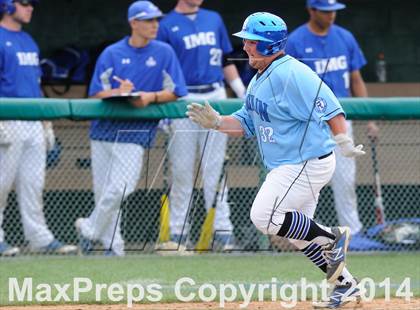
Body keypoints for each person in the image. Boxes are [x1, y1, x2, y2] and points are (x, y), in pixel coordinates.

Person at [187, 12, 363, 308]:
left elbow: (331, 107)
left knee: (264, 216)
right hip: (291, 164)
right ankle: (345, 285)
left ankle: (333, 238)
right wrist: (217, 122)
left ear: (269, 46)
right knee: (299, 235)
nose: (245, 48)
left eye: (251, 42)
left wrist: (343, 140)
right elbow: (246, 123)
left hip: (305, 161)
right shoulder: (260, 78)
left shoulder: (292, 72)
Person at [75, 0, 187, 256]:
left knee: (121, 187)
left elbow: (177, 91)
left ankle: (90, 228)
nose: (154, 25)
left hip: (135, 131)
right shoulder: (112, 53)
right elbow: (95, 94)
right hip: (103, 130)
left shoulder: (164, 52)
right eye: (148, 20)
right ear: (133, 23)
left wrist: (150, 97)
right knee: (104, 192)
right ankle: (114, 247)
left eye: (156, 20)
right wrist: (119, 91)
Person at [157, 0, 246, 250]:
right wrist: (165, 111)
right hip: (183, 99)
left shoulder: (213, 18)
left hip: (215, 95)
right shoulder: (165, 24)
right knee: (182, 170)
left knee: (214, 170)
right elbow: (163, 69)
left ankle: (223, 231)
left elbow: (226, 60)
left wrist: (241, 91)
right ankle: (178, 232)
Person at [286, 0, 379, 237]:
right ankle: (301, 232)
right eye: (326, 11)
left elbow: (356, 78)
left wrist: (370, 119)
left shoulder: (345, 37)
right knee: (306, 179)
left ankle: (353, 232)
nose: (331, 16)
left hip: (340, 118)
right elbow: (288, 84)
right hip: (309, 121)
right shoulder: (296, 40)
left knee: (346, 179)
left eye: (334, 11)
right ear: (311, 10)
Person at [0, 0, 77, 256]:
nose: (30, 8)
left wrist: (45, 120)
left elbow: (34, 82)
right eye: (24, 3)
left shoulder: (28, 40)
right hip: (7, 119)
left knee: (33, 183)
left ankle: (40, 238)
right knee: (1, 183)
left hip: (33, 120)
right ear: (7, 6)